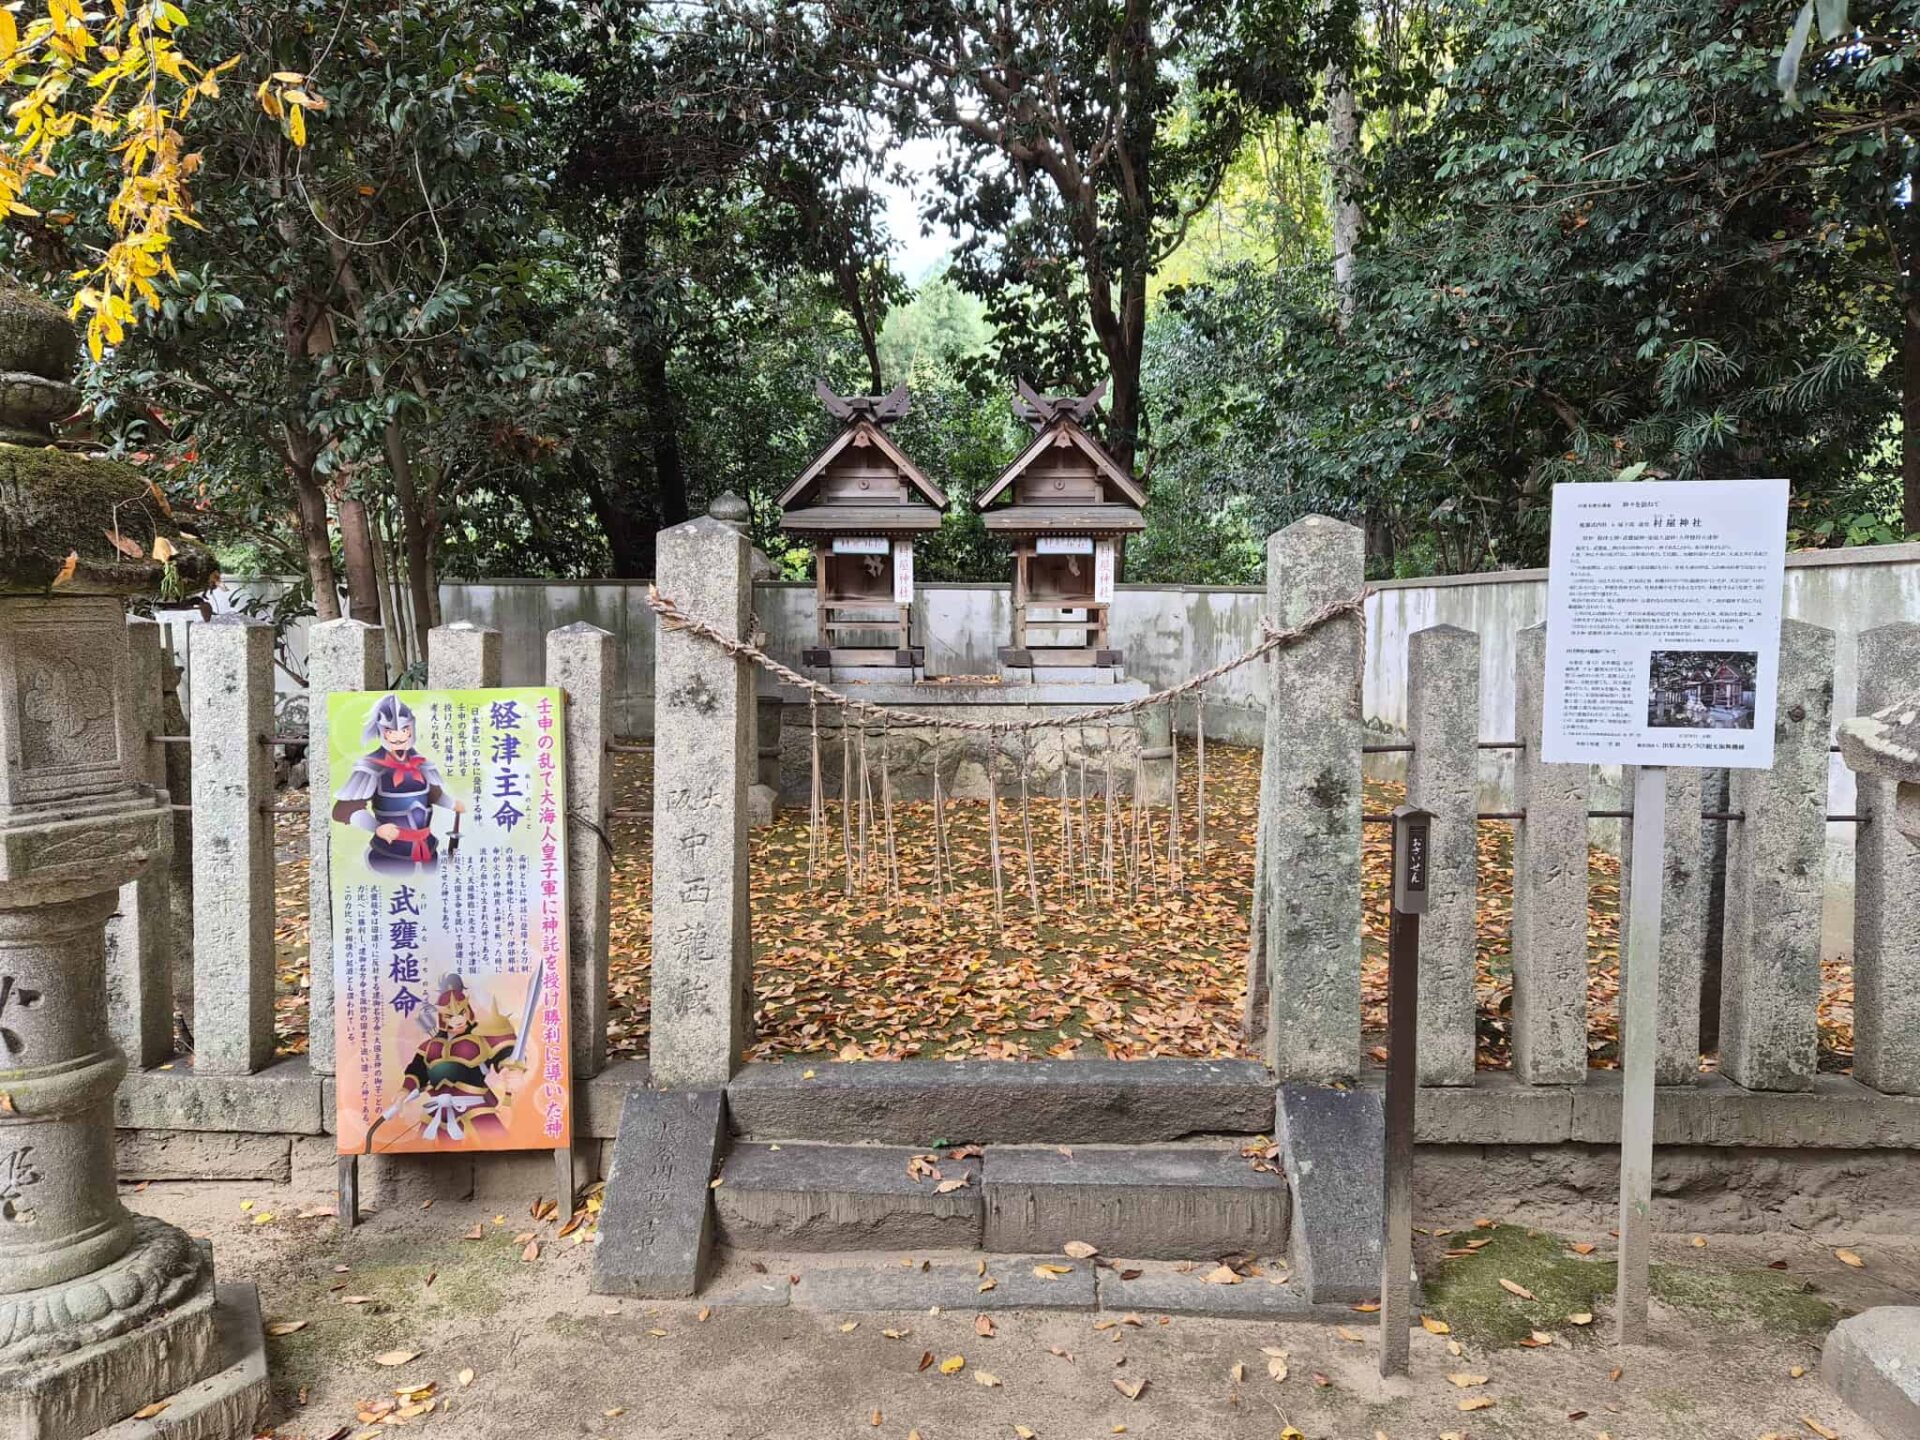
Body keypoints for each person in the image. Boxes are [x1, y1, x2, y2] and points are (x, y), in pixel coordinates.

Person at [332, 694, 466, 873]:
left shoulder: (422, 763)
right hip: (389, 853)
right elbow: (343, 810)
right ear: (381, 731)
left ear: (411, 729)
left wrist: (452, 804)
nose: (398, 736)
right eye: (390, 731)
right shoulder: (371, 766)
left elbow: (434, 795)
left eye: (404, 730)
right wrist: (377, 828)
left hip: (428, 850)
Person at [390, 975, 522, 1143]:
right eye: (450, 1016)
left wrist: (510, 1070)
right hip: (436, 1115)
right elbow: (417, 1072)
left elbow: (504, 1053)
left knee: (498, 1142)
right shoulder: (430, 1046)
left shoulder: (481, 1037)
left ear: (468, 1011)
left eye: (461, 1013)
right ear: (441, 1017)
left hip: (476, 1111)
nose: (457, 1020)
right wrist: (404, 1091)